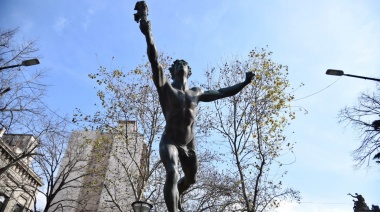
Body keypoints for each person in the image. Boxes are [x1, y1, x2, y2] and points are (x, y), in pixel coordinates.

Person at [137, 5, 254, 212]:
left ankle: (177, 195)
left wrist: (244, 83)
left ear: (188, 71)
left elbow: (222, 92)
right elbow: (154, 61)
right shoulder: (165, 87)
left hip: (189, 142)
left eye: (184, 63)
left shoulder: (197, 93)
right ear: (172, 71)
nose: (181, 64)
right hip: (170, 140)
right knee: (172, 172)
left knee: (191, 179)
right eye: (177, 63)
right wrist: (149, 33)